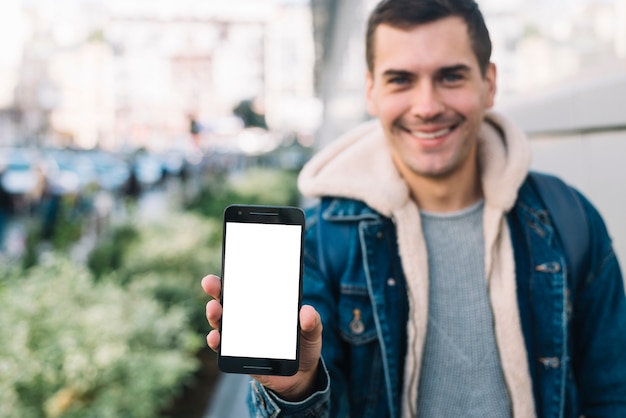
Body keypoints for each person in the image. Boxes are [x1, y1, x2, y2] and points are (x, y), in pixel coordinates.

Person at [201, 0, 626, 416]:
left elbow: (613, 393)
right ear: (371, 91)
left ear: (489, 83)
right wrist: (295, 393)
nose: (426, 107)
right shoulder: (321, 244)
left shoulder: (569, 219)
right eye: (401, 80)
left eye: (451, 77)